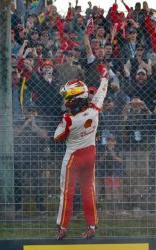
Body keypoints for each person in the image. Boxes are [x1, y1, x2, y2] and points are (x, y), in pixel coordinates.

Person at [54, 65, 108, 240]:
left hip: (73, 158)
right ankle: (92, 226)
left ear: (74, 101)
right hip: (90, 155)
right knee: (88, 190)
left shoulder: (68, 119)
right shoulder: (94, 110)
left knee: (67, 192)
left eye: (67, 98)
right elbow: (101, 92)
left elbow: (57, 137)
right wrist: (104, 76)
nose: (65, 101)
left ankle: (62, 228)